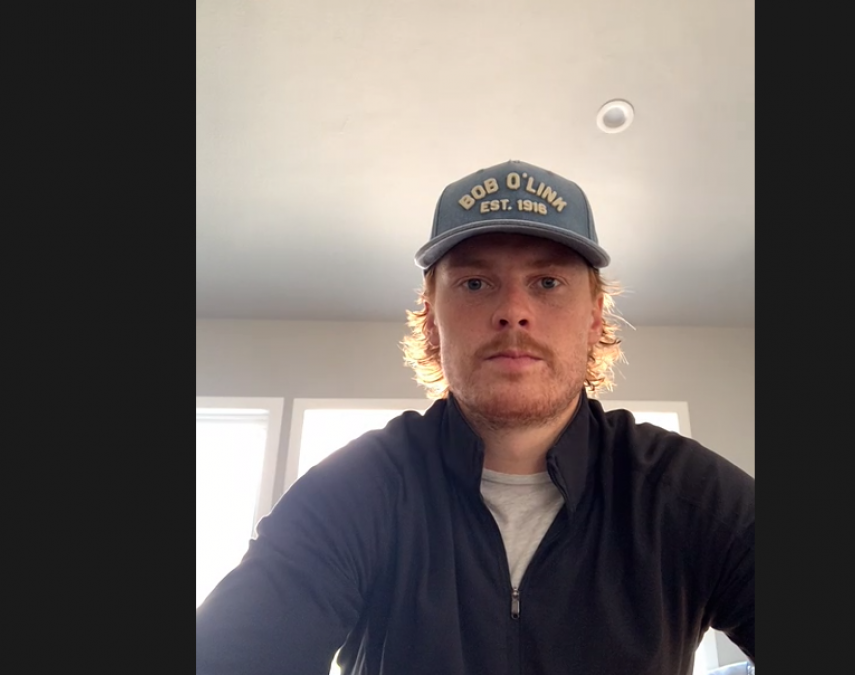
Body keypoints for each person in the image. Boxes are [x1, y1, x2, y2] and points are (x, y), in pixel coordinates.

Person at [195, 160, 755, 674]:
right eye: (475, 283)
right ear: (432, 321)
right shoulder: (354, 492)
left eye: (548, 282)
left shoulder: (687, 494)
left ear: (593, 318)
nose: (513, 311)